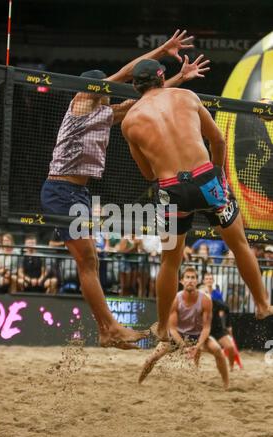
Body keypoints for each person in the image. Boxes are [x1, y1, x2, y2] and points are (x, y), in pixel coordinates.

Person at [41, 30, 210, 349]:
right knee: (88, 261)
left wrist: (178, 79)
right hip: (60, 190)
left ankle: (108, 329)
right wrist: (161, 49)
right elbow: (129, 74)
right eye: (102, 89)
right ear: (90, 90)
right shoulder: (80, 104)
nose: (109, 95)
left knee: (90, 261)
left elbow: (143, 98)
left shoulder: (102, 114)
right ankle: (108, 329)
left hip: (78, 193)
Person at [121, 58, 273, 342]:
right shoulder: (187, 96)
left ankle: (164, 328)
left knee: (170, 261)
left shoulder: (129, 121)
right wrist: (220, 180)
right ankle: (263, 305)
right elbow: (218, 141)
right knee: (239, 244)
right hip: (207, 180)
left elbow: (147, 173)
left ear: (134, 85)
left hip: (170, 188)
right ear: (162, 77)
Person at [138, 267, 229, 389]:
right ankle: (138, 383)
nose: (190, 280)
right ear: (182, 281)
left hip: (197, 336)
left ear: (197, 281)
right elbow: (173, 329)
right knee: (152, 358)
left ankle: (226, 385)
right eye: (187, 277)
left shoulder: (206, 300)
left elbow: (206, 328)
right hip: (177, 335)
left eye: (193, 278)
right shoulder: (175, 299)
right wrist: (183, 346)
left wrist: (197, 346)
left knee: (218, 350)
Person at [201, 272, 237, 371]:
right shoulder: (197, 299)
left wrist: (228, 326)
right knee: (197, 348)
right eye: (206, 278)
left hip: (216, 327)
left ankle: (231, 367)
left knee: (230, 347)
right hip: (202, 329)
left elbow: (225, 309)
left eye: (210, 278)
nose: (208, 280)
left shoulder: (216, 297)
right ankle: (195, 367)